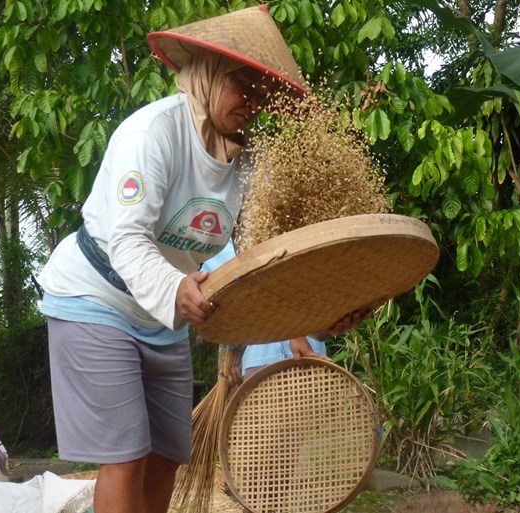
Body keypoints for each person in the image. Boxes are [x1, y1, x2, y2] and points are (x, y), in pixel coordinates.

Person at [36, 6, 368, 513]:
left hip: (163, 316)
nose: (254, 104)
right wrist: (175, 288)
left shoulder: (249, 158)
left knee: (167, 456)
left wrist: (320, 314)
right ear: (209, 76)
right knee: (125, 458)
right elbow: (126, 239)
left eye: (263, 93)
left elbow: (272, 252)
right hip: (95, 299)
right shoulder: (154, 135)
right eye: (243, 87)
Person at [200, 239, 332, 381]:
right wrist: (233, 352)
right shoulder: (213, 248)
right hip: (261, 357)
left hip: (302, 353)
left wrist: (296, 333)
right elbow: (223, 310)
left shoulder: (214, 246)